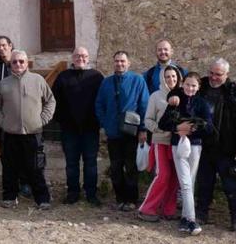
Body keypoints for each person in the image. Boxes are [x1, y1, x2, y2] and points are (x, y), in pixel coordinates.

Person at [0, 50, 56, 209]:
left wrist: (42, 120)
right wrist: (2, 122)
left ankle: (42, 199)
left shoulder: (38, 80)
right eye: (14, 62)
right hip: (10, 133)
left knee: (36, 167)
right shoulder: (4, 83)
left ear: (27, 63)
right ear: (10, 64)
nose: (18, 64)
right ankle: (9, 196)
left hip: (33, 133)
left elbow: (50, 101)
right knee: (9, 167)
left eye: (21, 61)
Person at [195, 58, 236, 231]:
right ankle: (201, 214)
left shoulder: (235, 93)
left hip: (227, 148)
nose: (213, 77)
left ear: (227, 75)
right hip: (203, 146)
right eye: (211, 73)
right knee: (204, 183)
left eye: (218, 74)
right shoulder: (200, 87)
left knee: (230, 185)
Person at [95, 51, 149, 211]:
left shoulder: (138, 80)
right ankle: (120, 198)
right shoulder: (106, 83)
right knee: (116, 167)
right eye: (117, 61)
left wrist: (143, 129)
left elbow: (144, 105)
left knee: (131, 167)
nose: (119, 64)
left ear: (128, 63)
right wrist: (105, 123)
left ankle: (132, 199)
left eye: (122, 61)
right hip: (113, 133)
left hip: (131, 132)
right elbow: (99, 105)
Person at [159, 72, 212, 235]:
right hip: (178, 145)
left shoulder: (202, 103)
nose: (190, 88)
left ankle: (184, 218)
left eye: (194, 86)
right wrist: (177, 129)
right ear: (182, 84)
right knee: (186, 183)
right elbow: (163, 123)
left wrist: (192, 128)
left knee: (190, 181)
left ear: (198, 87)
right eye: (188, 84)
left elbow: (209, 127)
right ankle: (191, 220)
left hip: (195, 146)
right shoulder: (176, 100)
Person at [51, 47, 104, 206]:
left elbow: (102, 101)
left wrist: (99, 121)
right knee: (71, 163)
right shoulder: (63, 77)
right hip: (69, 130)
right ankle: (72, 193)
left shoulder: (97, 77)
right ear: (72, 58)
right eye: (77, 56)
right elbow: (54, 101)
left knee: (91, 162)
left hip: (90, 129)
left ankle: (91, 193)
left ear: (88, 58)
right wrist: (62, 120)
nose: (80, 58)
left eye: (84, 56)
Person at [0, 36, 31, 198]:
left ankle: (24, 182)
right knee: (6, 151)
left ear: (10, 46)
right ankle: (10, 183)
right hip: (2, 116)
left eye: (4, 45)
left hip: (19, 116)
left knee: (23, 151)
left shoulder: (19, 64)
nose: (1, 48)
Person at [139, 65, 182, 222]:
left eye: (174, 76)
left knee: (174, 177)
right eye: (167, 77)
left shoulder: (183, 95)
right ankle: (147, 208)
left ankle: (168, 209)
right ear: (162, 79)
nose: (171, 79)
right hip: (160, 141)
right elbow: (148, 120)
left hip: (177, 143)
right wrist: (158, 130)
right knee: (163, 175)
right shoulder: (156, 96)